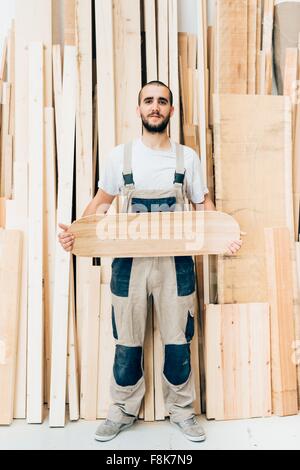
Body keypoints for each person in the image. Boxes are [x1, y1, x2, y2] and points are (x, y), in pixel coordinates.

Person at [58, 81, 242, 443]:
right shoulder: (120, 157)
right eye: (148, 101)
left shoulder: (186, 158)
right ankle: (122, 409)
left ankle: (182, 410)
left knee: (178, 340)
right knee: (126, 341)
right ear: (138, 109)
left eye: (162, 101)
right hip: (129, 264)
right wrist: (77, 234)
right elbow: (101, 203)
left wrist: (225, 235)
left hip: (177, 263)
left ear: (171, 110)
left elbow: (203, 206)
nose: (155, 107)